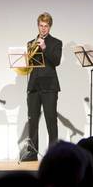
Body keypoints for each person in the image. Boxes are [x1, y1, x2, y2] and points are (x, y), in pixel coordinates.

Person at [23, 12, 62, 161]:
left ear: (49, 27)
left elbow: (56, 61)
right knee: (32, 119)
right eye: (41, 25)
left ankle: (54, 153)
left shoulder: (56, 43)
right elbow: (29, 65)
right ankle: (32, 152)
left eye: (46, 26)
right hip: (34, 85)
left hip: (50, 86)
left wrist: (45, 48)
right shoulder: (30, 43)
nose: (43, 29)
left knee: (51, 119)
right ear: (38, 26)